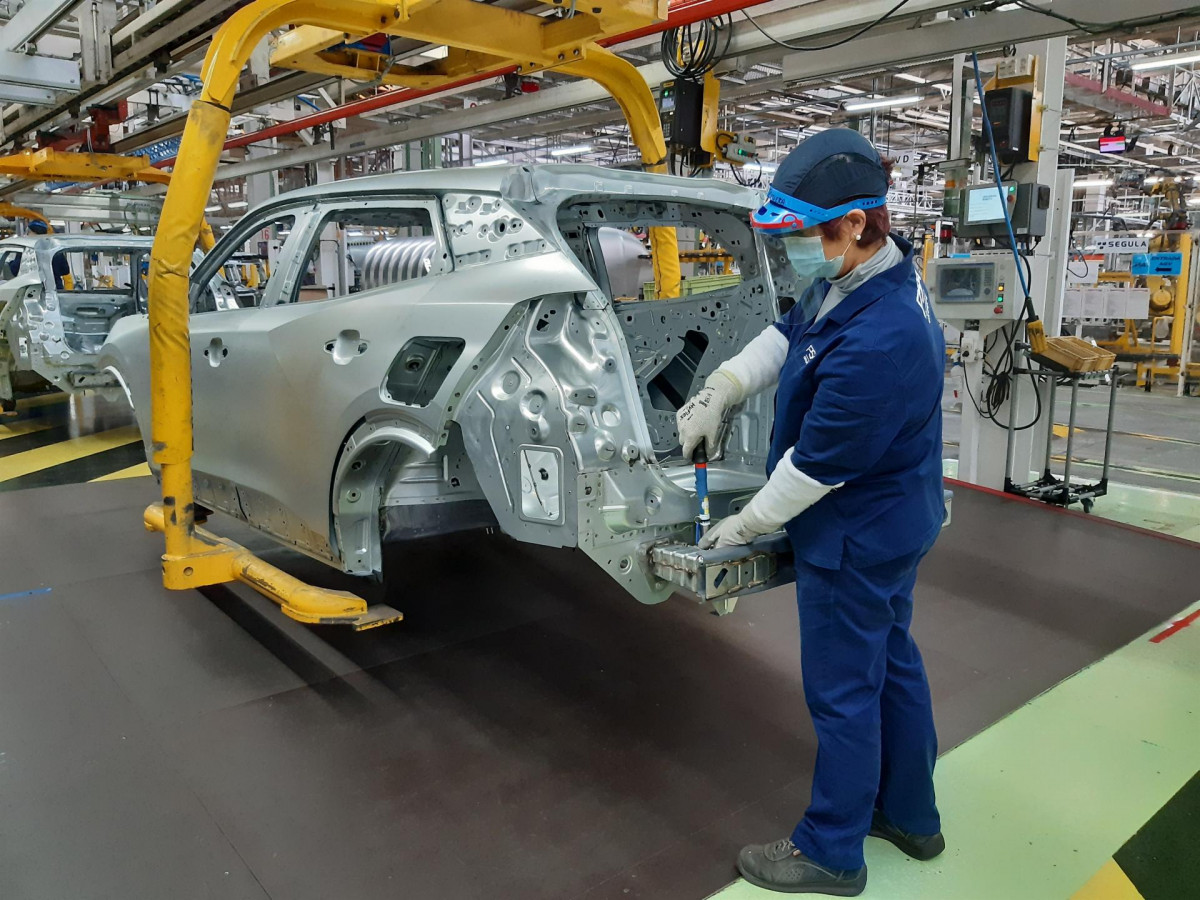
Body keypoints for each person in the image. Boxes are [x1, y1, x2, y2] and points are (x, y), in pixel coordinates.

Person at [675, 128, 946, 896]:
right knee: (892, 665)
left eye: (804, 235)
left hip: (855, 533)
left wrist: (746, 524)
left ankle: (832, 850)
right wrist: (723, 384)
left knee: (843, 690)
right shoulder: (867, 277)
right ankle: (911, 817)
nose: (796, 250)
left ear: (855, 223)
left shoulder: (883, 341)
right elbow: (790, 329)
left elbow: (814, 469)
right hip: (899, 517)